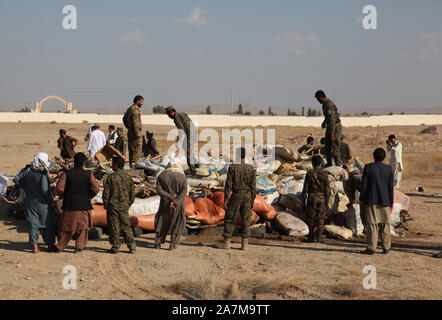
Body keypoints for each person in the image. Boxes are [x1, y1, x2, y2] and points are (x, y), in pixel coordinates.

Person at [54, 152, 100, 253]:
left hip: (69, 205)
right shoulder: (88, 174)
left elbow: (59, 188)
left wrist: (64, 195)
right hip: (84, 205)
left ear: (74, 162)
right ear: (84, 163)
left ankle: (60, 246)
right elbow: (96, 188)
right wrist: (89, 196)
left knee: (65, 227)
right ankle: (79, 247)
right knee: (82, 228)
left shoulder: (66, 174)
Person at [14, 153, 58, 253]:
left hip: (29, 201)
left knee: (33, 224)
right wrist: (50, 199)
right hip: (42, 203)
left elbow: (17, 181)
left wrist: (26, 189)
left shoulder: (28, 170)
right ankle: (50, 245)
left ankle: (34, 246)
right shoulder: (42, 173)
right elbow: (44, 189)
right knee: (47, 224)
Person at [219, 147, 256, 250]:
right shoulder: (251, 169)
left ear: (237, 156)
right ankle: (244, 244)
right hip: (248, 196)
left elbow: (228, 185)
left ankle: (226, 243)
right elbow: (253, 187)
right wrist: (252, 200)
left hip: (236, 195)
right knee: (246, 219)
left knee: (230, 218)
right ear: (244, 156)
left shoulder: (233, 168)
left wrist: (226, 198)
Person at [359, 148, 394, 255]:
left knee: (372, 225)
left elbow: (364, 185)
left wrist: (362, 199)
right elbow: (390, 187)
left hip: (371, 199)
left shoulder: (368, 167)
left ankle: (371, 248)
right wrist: (391, 201)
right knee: (385, 224)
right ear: (384, 157)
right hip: (385, 200)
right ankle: (386, 247)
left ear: (373, 156)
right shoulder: (389, 169)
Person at [102, 156, 136, 254]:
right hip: (124, 207)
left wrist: (106, 205)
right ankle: (131, 246)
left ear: (116, 165)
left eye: (112, 163)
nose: (111, 165)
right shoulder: (128, 177)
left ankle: (116, 246)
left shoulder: (111, 178)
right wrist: (128, 204)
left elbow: (106, 194)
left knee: (114, 227)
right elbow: (132, 194)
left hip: (113, 207)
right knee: (126, 226)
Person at [154, 164, 188, 250]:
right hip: (178, 204)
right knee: (177, 222)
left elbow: (158, 189)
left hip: (165, 203)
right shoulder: (182, 177)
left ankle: (158, 243)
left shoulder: (161, 176)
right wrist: (175, 200)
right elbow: (184, 191)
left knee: (161, 222)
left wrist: (169, 196)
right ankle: (172, 244)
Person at [301, 156, 330, 243]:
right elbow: (327, 189)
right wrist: (327, 202)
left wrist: (303, 200)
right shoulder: (325, 173)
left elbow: (305, 189)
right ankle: (319, 238)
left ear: (312, 163)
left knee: (311, 218)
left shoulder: (309, 173)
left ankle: (311, 238)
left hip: (312, 198)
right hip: (322, 198)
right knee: (320, 218)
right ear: (321, 163)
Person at [165, 106, 199, 175]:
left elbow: (182, 131)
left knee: (188, 151)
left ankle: (192, 170)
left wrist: (179, 142)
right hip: (193, 132)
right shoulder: (182, 114)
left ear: (172, 112)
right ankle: (196, 164)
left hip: (190, 134)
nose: (168, 116)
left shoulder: (176, 118)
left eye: (168, 114)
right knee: (187, 149)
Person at [315, 90, 342, 167]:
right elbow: (328, 117)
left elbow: (332, 120)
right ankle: (329, 164)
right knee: (327, 146)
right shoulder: (324, 104)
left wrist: (332, 134)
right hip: (330, 126)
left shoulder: (329, 105)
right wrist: (324, 122)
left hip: (335, 127)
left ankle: (338, 166)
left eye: (317, 99)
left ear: (321, 97)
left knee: (335, 147)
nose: (317, 101)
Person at [123, 95, 144, 166]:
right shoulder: (135, 109)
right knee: (137, 151)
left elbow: (124, 119)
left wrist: (129, 127)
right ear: (137, 101)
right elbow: (136, 121)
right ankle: (134, 168)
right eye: (141, 102)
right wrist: (137, 132)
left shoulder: (129, 108)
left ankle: (131, 166)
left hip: (130, 132)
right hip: (135, 133)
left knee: (131, 150)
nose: (142, 103)